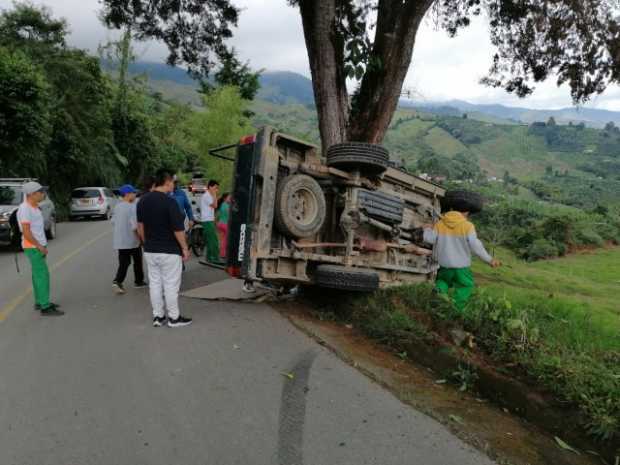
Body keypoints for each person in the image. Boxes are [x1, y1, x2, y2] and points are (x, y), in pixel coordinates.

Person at [137, 170, 192, 328]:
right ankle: (174, 318)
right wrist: (185, 248)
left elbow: (140, 227)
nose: (174, 185)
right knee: (170, 285)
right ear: (167, 182)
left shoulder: (142, 201)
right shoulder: (170, 202)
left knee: (155, 283)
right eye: (173, 182)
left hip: (150, 250)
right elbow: (178, 229)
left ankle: (158, 316)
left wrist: (146, 243)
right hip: (169, 251)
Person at [423, 203, 500, 311]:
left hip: (444, 265)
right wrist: (489, 260)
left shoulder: (440, 224)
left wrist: (427, 229)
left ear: (451, 209)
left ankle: (436, 299)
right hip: (461, 267)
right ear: (467, 212)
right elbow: (476, 247)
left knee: (443, 282)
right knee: (465, 285)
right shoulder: (468, 226)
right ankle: (455, 309)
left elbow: (429, 239)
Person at [17, 182, 64, 316]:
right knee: (42, 275)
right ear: (32, 194)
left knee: (37, 274)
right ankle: (45, 306)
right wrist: (39, 246)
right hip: (33, 247)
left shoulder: (34, 206)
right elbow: (26, 231)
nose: (43, 194)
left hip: (36, 246)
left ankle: (40, 301)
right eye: (41, 192)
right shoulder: (25, 208)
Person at [112, 184, 147, 294]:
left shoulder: (117, 207)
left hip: (120, 241)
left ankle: (118, 281)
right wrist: (142, 239)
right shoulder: (133, 207)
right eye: (133, 193)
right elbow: (135, 227)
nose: (135, 195)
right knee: (137, 261)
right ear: (127, 194)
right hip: (132, 241)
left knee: (124, 262)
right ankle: (138, 281)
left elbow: (113, 222)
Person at [200, 180, 222, 264]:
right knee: (214, 240)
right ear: (210, 187)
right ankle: (215, 258)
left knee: (210, 239)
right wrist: (214, 195)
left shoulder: (208, 195)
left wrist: (214, 195)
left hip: (209, 220)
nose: (217, 190)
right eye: (216, 188)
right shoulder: (207, 196)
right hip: (207, 220)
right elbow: (215, 205)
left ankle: (209, 257)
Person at [216, 193, 231, 259]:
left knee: (222, 240)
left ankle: (222, 254)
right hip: (225, 225)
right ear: (225, 198)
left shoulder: (221, 205)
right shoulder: (227, 206)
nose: (230, 199)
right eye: (229, 198)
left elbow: (218, 215)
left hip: (220, 224)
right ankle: (225, 254)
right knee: (226, 240)